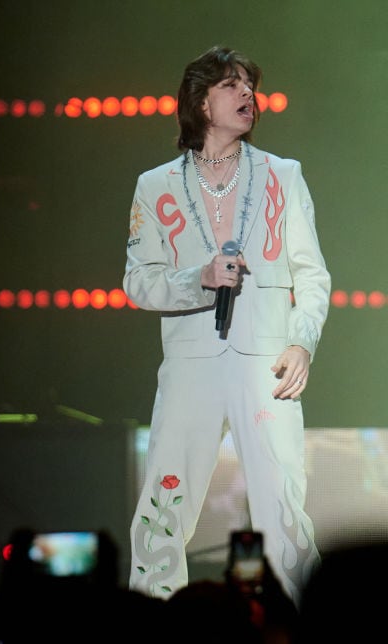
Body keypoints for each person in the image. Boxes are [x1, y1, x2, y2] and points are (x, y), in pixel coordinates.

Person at [123, 46, 331, 607]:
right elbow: (138, 283)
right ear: (200, 101)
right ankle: (153, 637)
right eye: (232, 85)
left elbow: (312, 274)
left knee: (283, 513)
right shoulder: (156, 185)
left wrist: (301, 341)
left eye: (250, 86)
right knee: (162, 511)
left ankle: (307, 633)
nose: (247, 95)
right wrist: (200, 278)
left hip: (267, 363)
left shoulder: (282, 175)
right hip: (191, 365)